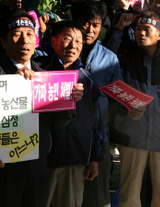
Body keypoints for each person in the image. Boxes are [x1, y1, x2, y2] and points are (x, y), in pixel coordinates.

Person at [0, 10, 83, 207]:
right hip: (5, 170)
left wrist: (69, 101)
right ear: (3, 42)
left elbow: (57, 123)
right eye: (17, 34)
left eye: (29, 34)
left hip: (38, 168)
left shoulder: (44, 76)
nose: (24, 41)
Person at [110, 11, 160, 207]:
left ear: (159, 35)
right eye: (137, 29)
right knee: (129, 192)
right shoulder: (124, 59)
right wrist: (125, 108)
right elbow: (114, 92)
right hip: (132, 136)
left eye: (147, 30)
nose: (141, 34)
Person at [70, 0, 123, 207]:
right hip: (67, 136)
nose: (90, 30)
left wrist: (129, 109)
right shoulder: (60, 51)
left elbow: (117, 98)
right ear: (75, 21)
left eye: (96, 25)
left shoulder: (109, 58)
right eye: (86, 23)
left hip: (99, 139)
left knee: (98, 199)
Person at [44, 20, 101, 207]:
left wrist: (93, 158)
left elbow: (95, 123)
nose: (73, 46)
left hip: (75, 159)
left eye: (78, 41)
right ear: (53, 41)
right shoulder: (39, 73)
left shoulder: (88, 79)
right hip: (44, 160)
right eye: (67, 39)